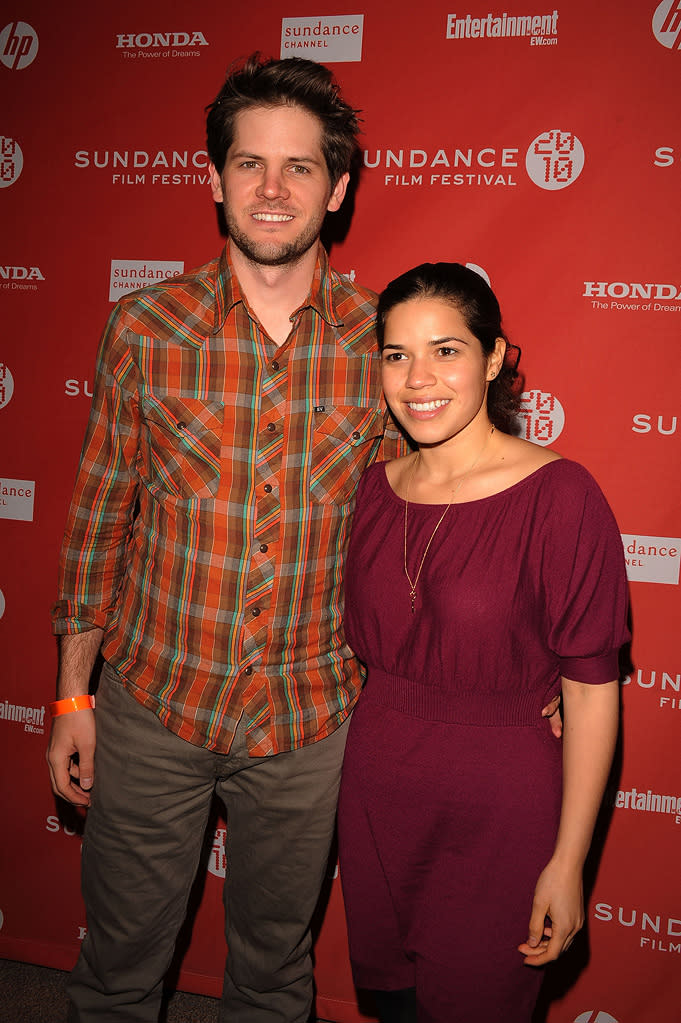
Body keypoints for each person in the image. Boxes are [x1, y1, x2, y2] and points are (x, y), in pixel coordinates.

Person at [46, 54, 403, 1023]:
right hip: (154, 704)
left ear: (337, 189)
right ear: (214, 179)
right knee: (117, 970)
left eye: (298, 168)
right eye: (250, 165)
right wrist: (75, 691)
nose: (273, 190)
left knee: (274, 978)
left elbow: (438, 524)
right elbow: (97, 518)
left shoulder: (386, 347)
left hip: (309, 722)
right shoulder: (143, 331)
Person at [337, 262, 629, 1023]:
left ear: (493, 357)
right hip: (374, 794)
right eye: (396, 354)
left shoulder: (561, 496)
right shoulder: (372, 488)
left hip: (498, 811)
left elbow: (592, 693)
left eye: (446, 350)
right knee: (397, 1008)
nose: (417, 377)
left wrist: (568, 864)